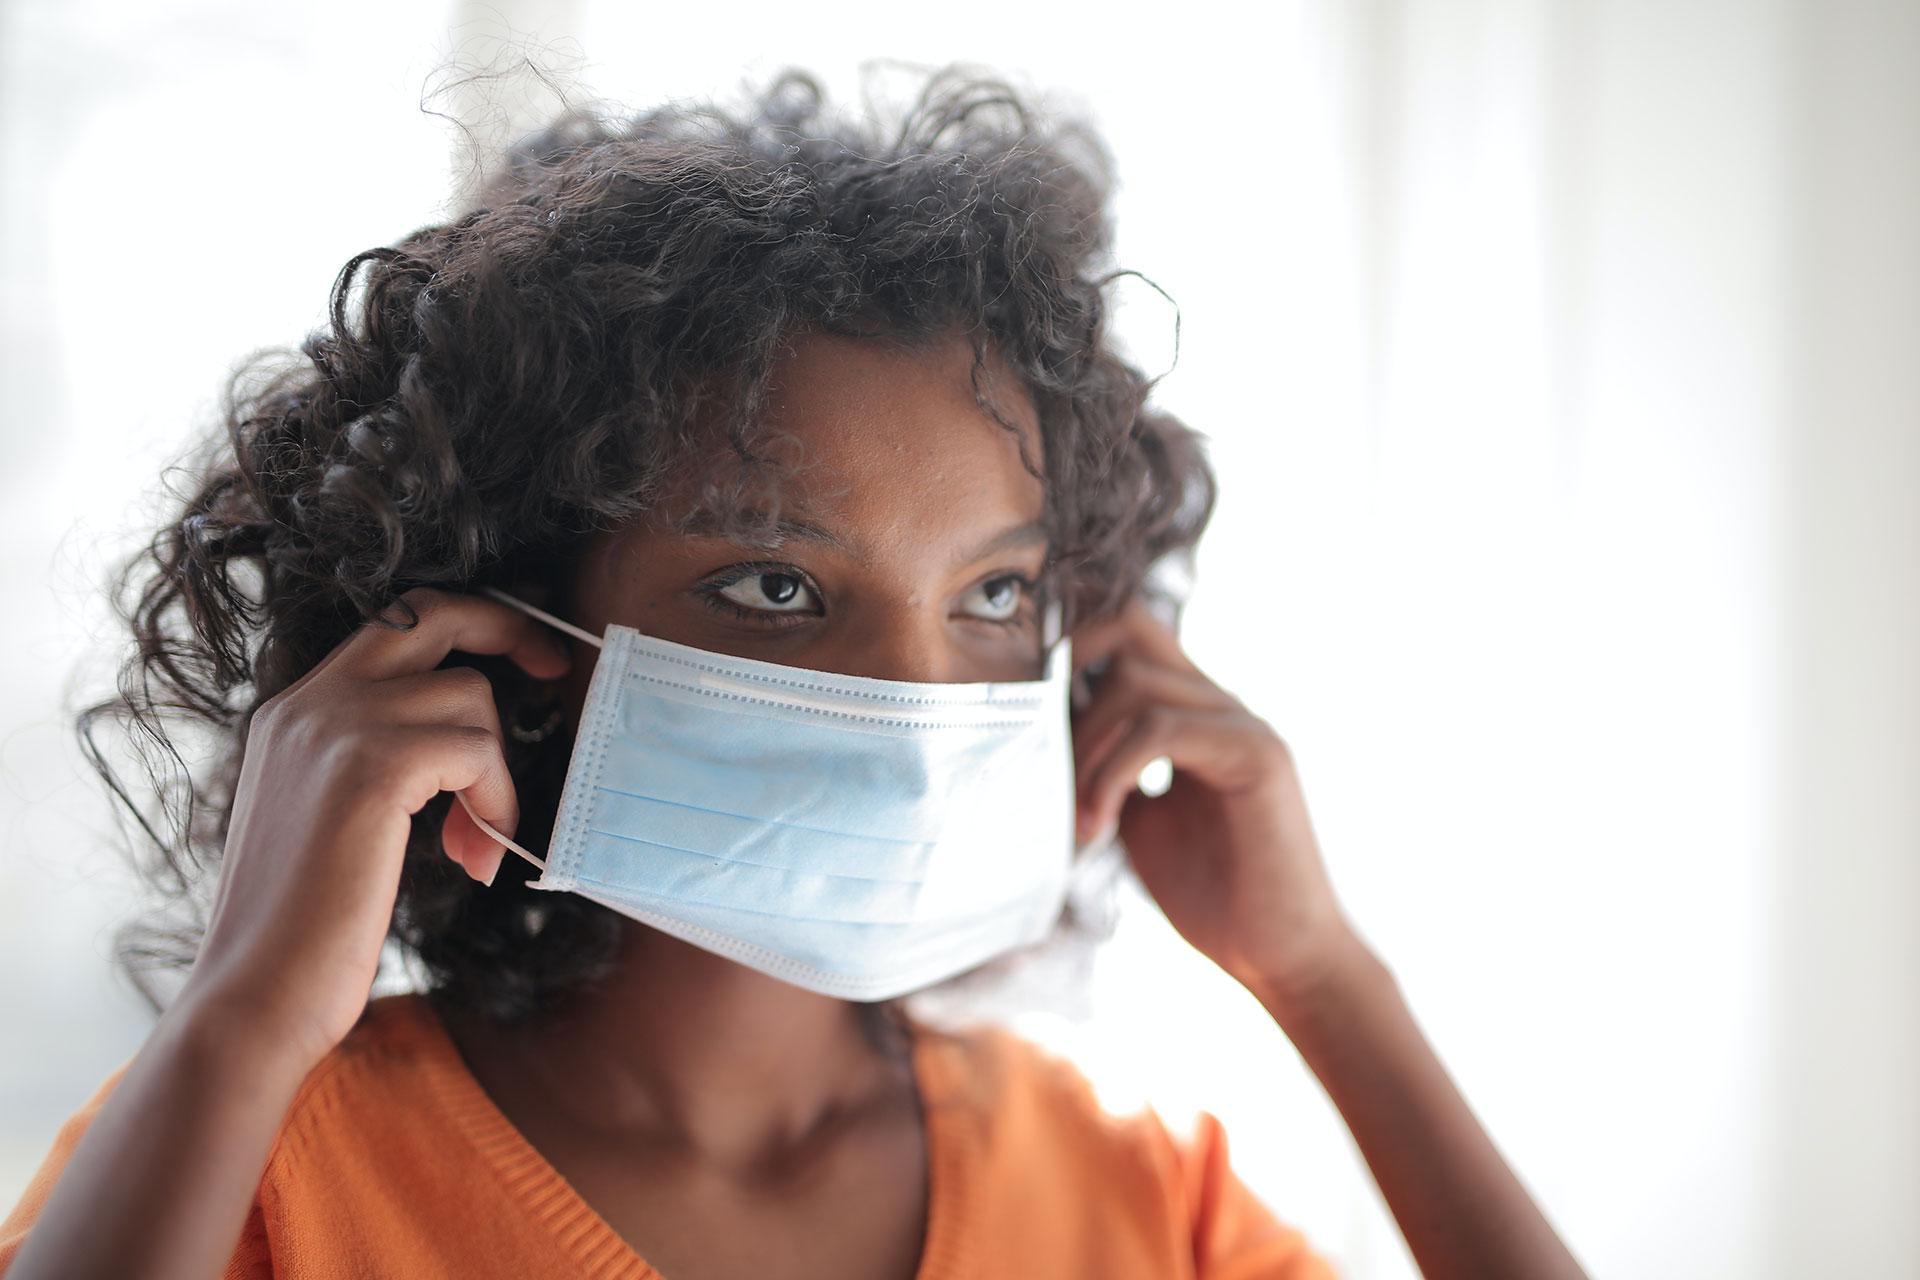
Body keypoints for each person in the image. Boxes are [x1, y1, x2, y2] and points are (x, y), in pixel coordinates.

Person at [0, 66, 1587, 1279]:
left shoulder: (1137, 1205)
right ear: (505, 633)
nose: (917, 704)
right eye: (777, 585)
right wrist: (242, 1017)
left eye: (995, 591)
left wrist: (1327, 982)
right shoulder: (257, 1169)